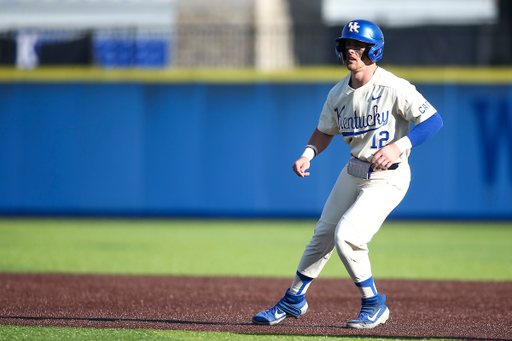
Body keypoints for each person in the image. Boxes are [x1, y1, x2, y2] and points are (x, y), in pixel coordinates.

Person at [251, 19, 443, 329]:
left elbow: (433, 121)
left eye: (358, 46)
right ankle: (293, 299)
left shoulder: (393, 86)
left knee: (348, 236)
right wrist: (307, 153)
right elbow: (324, 130)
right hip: (353, 171)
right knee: (322, 236)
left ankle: (374, 304)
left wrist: (399, 146)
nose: (350, 50)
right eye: (346, 45)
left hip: (388, 175)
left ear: (374, 50)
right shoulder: (339, 92)